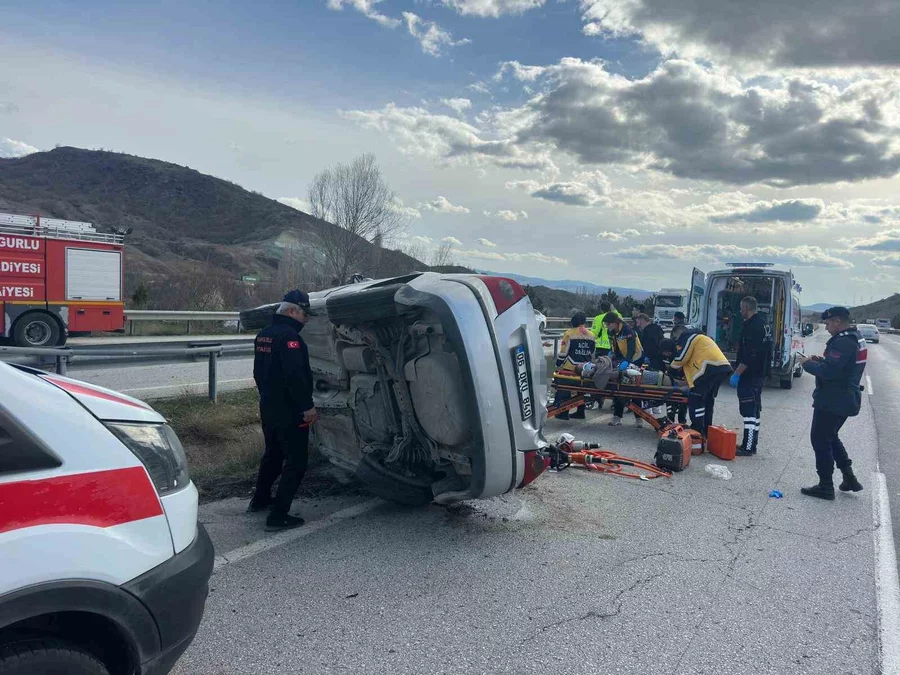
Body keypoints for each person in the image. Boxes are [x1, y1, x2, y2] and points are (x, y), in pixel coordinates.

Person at [248, 290, 319, 531]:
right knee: (297, 461)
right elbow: (295, 376)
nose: (305, 320)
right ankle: (278, 516)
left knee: (274, 454)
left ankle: (260, 499)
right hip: (290, 409)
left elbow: (258, 372)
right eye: (304, 314)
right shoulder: (290, 338)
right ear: (291, 311)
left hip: (268, 405)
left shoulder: (264, 335)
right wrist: (306, 406)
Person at [795, 307, 866, 500]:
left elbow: (828, 372)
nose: (826, 327)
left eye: (827, 324)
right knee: (830, 437)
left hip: (834, 400)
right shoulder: (855, 337)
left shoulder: (844, 342)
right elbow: (841, 367)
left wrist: (806, 363)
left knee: (820, 439)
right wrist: (821, 360)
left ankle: (825, 486)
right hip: (843, 398)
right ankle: (849, 477)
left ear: (837, 321)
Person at [664, 330, 732, 437]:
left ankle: (697, 430)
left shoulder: (688, 338)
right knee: (708, 400)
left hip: (708, 369)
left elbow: (681, 358)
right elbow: (690, 363)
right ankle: (706, 431)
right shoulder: (701, 339)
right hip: (721, 368)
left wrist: (670, 371)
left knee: (696, 399)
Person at [730, 296, 771, 456]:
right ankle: (752, 444)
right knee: (755, 410)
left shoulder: (753, 327)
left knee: (748, 411)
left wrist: (737, 373)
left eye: (741, 308)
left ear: (746, 308)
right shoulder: (764, 324)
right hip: (760, 374)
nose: (740, 311)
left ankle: (747, 447)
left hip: (750, 375)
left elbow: (750, 354)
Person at [603, 313, 644, 427]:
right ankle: (617, 416)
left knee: (633, 388)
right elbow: (614, 347)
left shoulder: (627, 330)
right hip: (620, 359)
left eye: (609, 324)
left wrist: (627, 362)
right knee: (618, 388)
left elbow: (631, 349)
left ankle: (639, 418)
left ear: (615, 322)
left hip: (635, 359)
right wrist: (611, 354)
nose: (607, 326)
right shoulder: (611, 332)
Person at [554, 312, 597, 420]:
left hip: (571, 368)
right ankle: (580, 412)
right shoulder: (591, 335)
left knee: (564, 388)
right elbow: (593, 354)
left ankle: (562, 413)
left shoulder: (569, 334)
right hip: (585, 369)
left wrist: (558, 364)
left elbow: (563, 353)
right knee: (581, 390)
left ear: (572, 322)